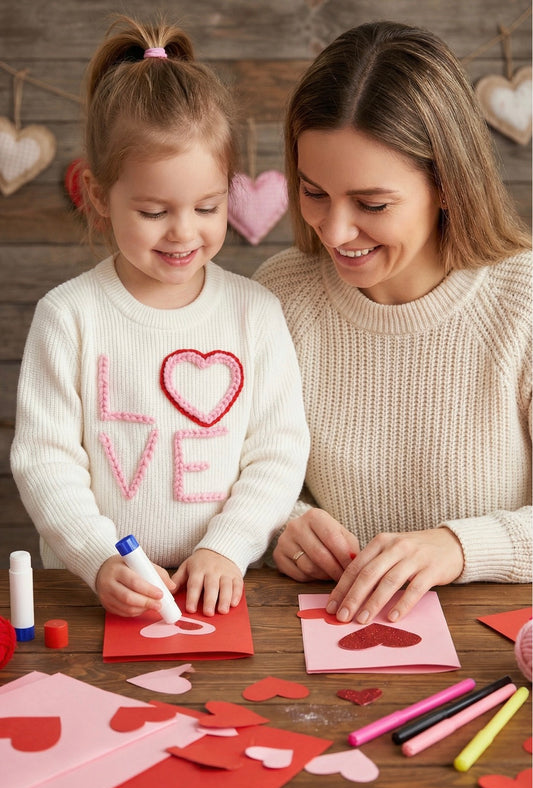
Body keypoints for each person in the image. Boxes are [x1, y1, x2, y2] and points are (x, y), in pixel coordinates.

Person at [10, 15, 309, 619]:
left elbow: (277, 454)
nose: (183, 233)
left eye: (208, 207)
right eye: (153, 212)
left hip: (222, 591)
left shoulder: (255, 313)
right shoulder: (68, 316)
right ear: (99, 195)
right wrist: (99, 558)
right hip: (96, 596)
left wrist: (226, 548)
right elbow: (45, 461)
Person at [253, 20, 532, 627]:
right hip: (317, 638)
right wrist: (279, 524)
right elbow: (227, 473)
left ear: (448, 187)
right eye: (314, 192)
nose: (334, 231)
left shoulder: (523, 301)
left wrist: (458, 547)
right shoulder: (278, 296)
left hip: (496, 646)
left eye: (372, 204)